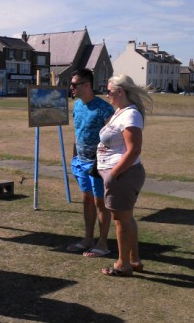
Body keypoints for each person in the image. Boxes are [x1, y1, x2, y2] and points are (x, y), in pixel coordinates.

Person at [97, 74, 152, 276]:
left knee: (121, 219)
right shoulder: (121, 111)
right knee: (125, 217)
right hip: (119, 174)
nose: (106, 94)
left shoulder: (130, 115)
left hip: (123, 176)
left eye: (109, 90)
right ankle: (134, 260)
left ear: (120, 91)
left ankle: (123, 265)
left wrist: (113, 173)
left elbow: (134, 150)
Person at [67, 68, 114, 258]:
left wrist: (107, 165)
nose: (71, 88)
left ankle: (102, 244)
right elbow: (78, 133)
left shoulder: (104, 109)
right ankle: (88, 239)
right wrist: (73, 158)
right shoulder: (77, 106)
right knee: (86, 200)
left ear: (87, 85)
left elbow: (113, 139)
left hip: (97, 165)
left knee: (100, 203)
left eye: (74, 84)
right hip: (80, 162)